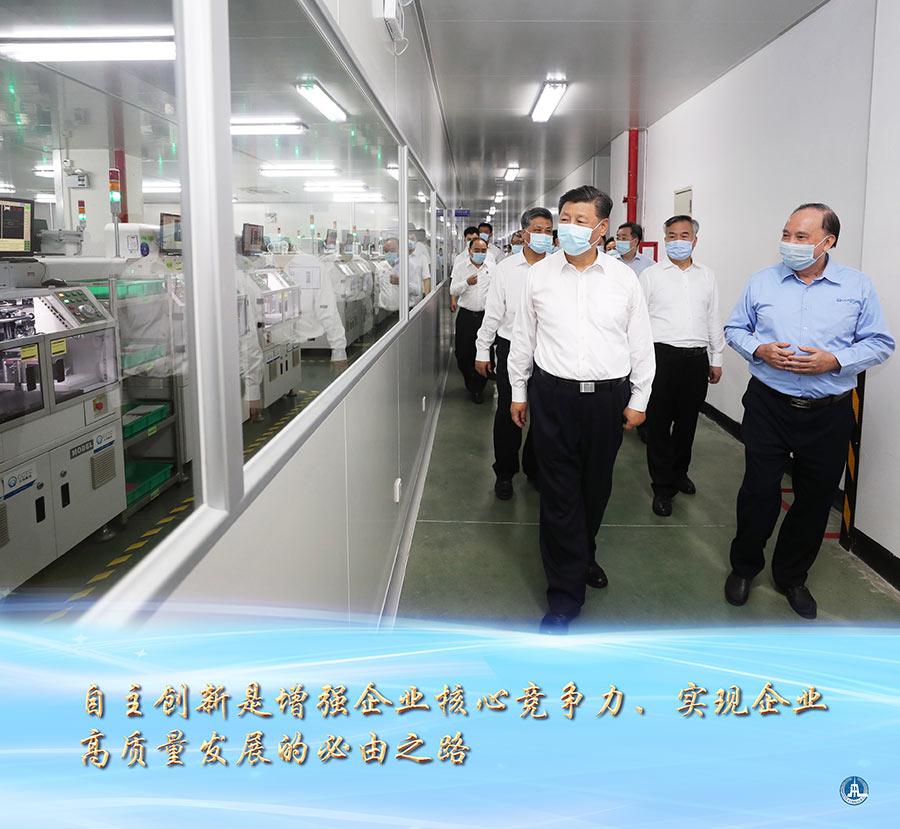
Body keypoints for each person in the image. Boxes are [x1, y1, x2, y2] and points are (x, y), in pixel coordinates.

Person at [723, 203, 894, 619]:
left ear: (827, 241)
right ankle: (744, 567)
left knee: (814, 499)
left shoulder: (857, 286)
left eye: (801, 237)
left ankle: (792, 576)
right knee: (758, 491)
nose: (790, 243)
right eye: (786, 234)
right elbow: (734, 329)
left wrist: (835, 361)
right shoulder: (761, 282)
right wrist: (760, 349)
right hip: (768, 404)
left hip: (828, 413)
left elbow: (880, 343)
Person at [508, 185, 655, 634]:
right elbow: (524, 337)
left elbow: (640, 342)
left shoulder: (623, 279)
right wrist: (518, 390)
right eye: (565, 219)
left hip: (607, 399)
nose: (569, 228)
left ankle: (583, 553)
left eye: (581, 221)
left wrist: (639, 399)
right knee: (558, 494)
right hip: (553, 396)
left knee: (595, 488)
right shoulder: (540, 275)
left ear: (602, 227)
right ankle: (564, 596)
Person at [639, 215, 724, 516]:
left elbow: (713, 317)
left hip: (696, 360)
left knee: (687, 424)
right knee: (659, 425)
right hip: (661, 357)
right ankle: (662, 487)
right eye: (672, 236)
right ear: (665, 240)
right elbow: (638, 320)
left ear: (695, 240)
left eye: (684, 235)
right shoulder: (651, 276)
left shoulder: (707, 276)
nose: (677, 241)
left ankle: (679, 473)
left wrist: (716, 358)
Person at [474, 207, 553, 499]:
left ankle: (535, 468)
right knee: (509, 411)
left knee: (543, 414)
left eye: (548, 231)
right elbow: (493, 313)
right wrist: (483, 349)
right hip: (510, 347)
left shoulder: (558, 267)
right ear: (523, 233)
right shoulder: (506, 269)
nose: (543, 236)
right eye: (537, 230)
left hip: (548, 350)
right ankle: (505, 473)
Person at [450, 237, 493, 403]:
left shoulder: (492, 268)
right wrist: (466, 283)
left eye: (483, 251)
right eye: (477, 250)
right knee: (463, 354)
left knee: (484, 352)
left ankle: (478, 388)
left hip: (485, 317)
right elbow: (453, 290)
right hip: (466, 316)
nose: (480, 254)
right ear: (469, 251)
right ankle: (470, 381)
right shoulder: (461, 267)